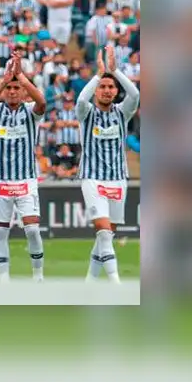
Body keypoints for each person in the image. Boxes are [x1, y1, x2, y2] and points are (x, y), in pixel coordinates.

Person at [0, 51, 48, 282]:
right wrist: (3, 82)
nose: (12, 91)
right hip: (0, 181)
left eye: (16, 88)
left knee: (32, 229)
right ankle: (4, 281)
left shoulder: (30, 112)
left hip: (26, 180)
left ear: (23, 91)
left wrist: (21, 77)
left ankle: (38, 277)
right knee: (0, 232)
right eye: (9, 88)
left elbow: (42, 103)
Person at [78, 44, 140, 283]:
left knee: (106, 236)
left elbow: (135, 95)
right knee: (104, 232)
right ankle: (116, 284)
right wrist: (98, 75)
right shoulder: (86, 113)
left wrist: (115, 71)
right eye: (102, 87)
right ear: (96, 91)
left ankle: (89, 283)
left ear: (115, 91)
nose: (106, 90)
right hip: (92, 178)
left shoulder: (123, 113)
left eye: (110, 87)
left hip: (117, 180)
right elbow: (81, 99)